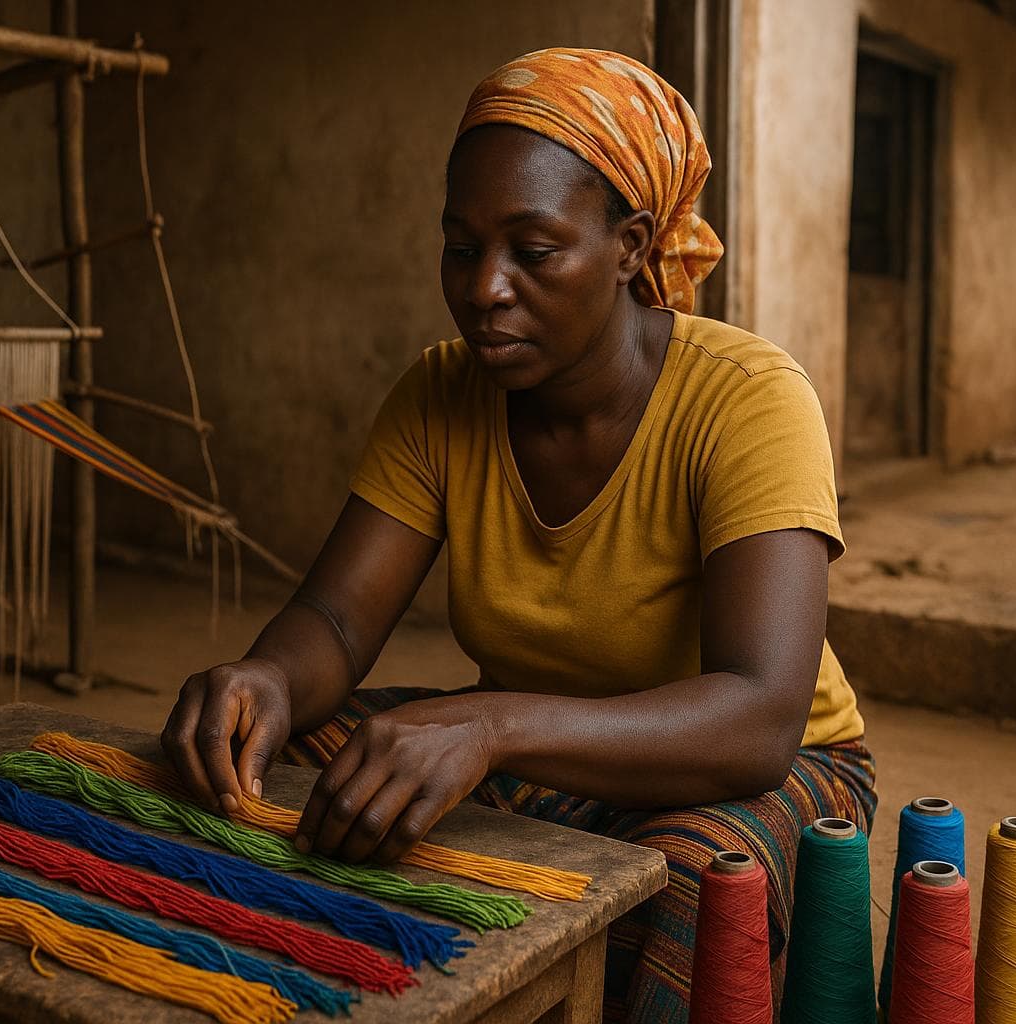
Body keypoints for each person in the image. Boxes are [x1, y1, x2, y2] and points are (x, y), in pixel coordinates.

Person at [161, 47, 874, 1022]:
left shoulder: (748, 401)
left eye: (532, 251)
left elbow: (757, 719)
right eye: (462, 247)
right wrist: (268, 681)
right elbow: (332, 619)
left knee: (697, 873)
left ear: (629, 247)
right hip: (540, 740)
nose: (484, 288)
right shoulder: (439, 392)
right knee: (277, 762)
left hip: (761, 763)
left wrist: (488, 725)